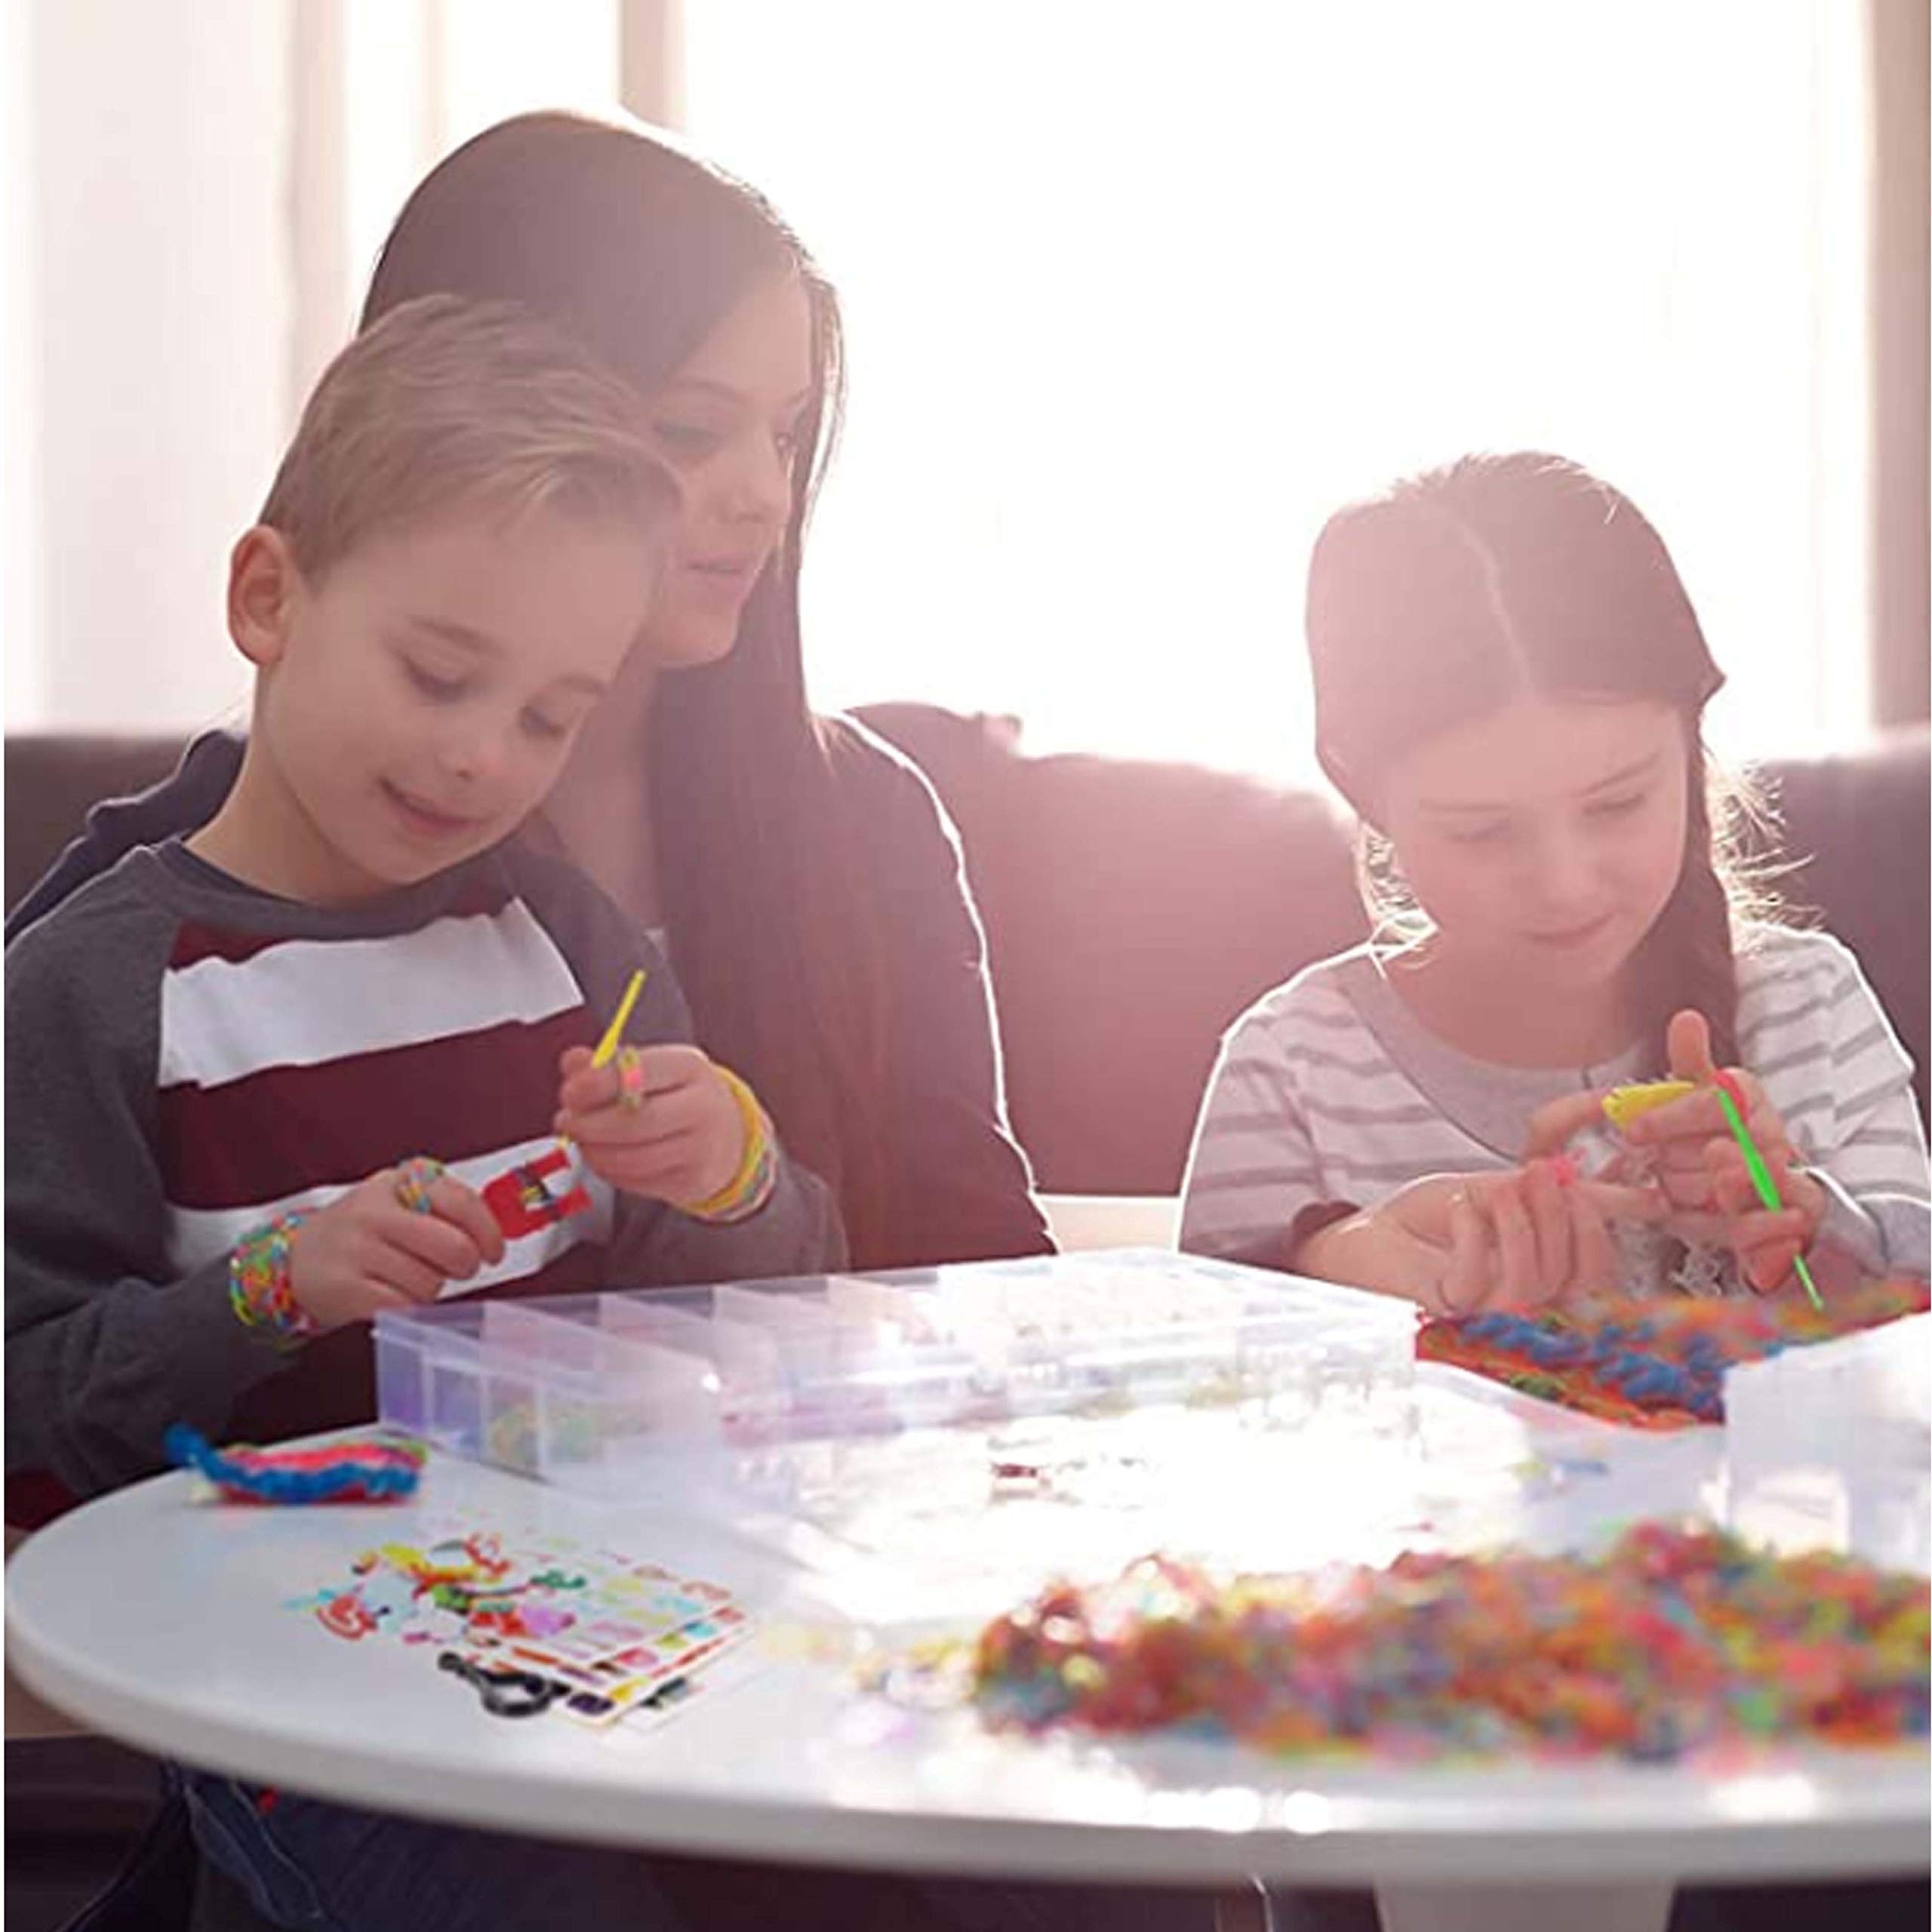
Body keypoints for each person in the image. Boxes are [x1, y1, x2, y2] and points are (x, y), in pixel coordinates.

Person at [6, 108, 1052, 1278]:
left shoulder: (866, 820)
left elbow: (984, 1261)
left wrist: (738, 1176)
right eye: (693, 430)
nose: (765, 494)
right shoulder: (133, 946)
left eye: (789, 435)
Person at [5, 293, 842, 1514]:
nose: (485, 756)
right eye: (441, 676)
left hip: (565, 1633)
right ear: (267, 600)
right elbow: (23, 1421)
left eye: (551, 716)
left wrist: (728, 1173)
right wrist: (265, 1294)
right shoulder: (97, 992)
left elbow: (754, 1321)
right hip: (224, 1659)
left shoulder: (573, 945)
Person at [1180, 451, 1930, 1309]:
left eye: (1616, 805)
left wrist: (1809, 1230)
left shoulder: (1811, 1010)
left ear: (1689, 744)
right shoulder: (1292, 1072)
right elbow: (1191, 1384)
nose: (1564, 886)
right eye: (1484, 831)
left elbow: (1909, 1366)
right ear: (1365, 797)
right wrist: (1334, 1265)